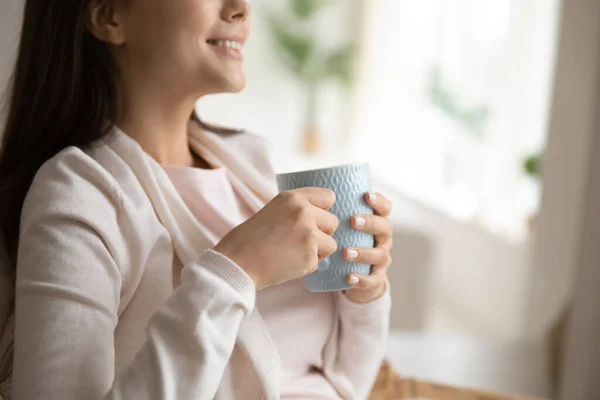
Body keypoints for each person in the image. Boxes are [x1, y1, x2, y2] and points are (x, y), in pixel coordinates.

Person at [0, 1, 393, 399]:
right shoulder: (79, 196)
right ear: (109, 17)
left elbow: (342, 383)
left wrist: (362, 295)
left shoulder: (250, 160)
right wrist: (237, 269)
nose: (242, 8)